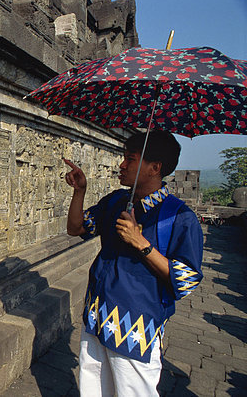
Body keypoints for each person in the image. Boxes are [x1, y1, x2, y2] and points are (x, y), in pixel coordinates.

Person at [64, 130, 203, 396]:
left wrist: (142, 244)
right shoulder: (117, 201)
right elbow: (77, 228)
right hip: (97, 313)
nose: (122, 165)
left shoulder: (179, 218)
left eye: (130, 159)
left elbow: (186, 280)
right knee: (92, 387)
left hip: (134, 325)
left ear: (155, 168)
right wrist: (80, 192)